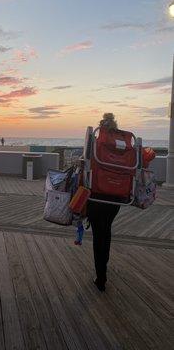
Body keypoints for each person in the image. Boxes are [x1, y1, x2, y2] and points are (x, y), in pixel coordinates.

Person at [87, 113, 121, 292]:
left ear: (101, 127)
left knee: (97, 235)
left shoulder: (96, 143)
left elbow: (87, 165)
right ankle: (103, 272)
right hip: (116, 196)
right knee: (106, 232)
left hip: (96, 195)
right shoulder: (122, 147)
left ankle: (100, 275)